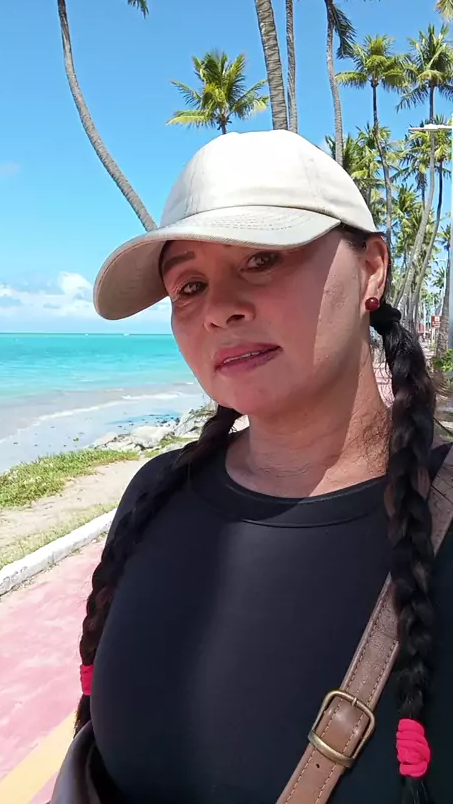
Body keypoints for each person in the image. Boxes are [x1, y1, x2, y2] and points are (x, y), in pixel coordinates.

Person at [75, 131, 453, 804]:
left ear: (372, 269)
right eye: (190, 285)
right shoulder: (155, 493)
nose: (220, 309)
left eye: (262, 258)